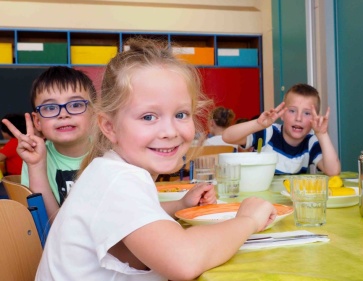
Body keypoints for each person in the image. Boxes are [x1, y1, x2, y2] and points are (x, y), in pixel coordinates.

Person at [35, 38, 277, 280]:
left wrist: (179, 207)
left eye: (181, 114)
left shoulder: (112, 172)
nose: (170, 131)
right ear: (109, 127)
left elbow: (133, 218)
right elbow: (184, 260)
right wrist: (248, 220)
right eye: (149, 117)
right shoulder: (116, 180)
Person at [1, 66, 97, 222]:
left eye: (76, 105)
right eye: (50, 107)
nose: (63, 114)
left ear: (94, 114)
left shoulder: (111, 151)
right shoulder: (35, 158)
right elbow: (48, 223)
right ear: (37, 121)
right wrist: (36, 165)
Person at [222, 83, 341, 176]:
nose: (298, 118)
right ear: (282, 114)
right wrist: (258, 125)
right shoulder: (268, 132)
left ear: (314, 119)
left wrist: (322, 134)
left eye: (306, 113)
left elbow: (333, 171)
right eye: (292, 111)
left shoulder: (311, 142)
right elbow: (227, 136)